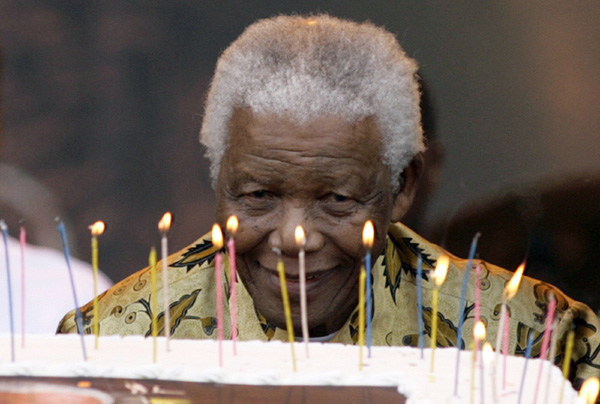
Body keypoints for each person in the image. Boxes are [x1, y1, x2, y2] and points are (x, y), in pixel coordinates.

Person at [58, 14, 600, 389]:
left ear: (404, 185)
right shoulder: (110, 342)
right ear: (219, 179)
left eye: (336, 199)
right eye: (259, 196)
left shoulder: (535, 340)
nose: (295, 236)